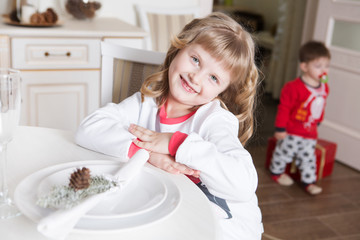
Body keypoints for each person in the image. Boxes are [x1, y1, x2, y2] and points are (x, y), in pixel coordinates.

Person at [75, 12, 263, 239]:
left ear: (223, 91)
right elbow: (89, 128)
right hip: (168, 213)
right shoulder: (146, 103)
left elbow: (244, 183)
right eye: (195, 60)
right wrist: (147, 153)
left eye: (213, 78)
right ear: (178, 49)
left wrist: (176, 143)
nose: (196, 77)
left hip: (223, 228)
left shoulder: (214, 120)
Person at [269, 41, 331, 195]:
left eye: (326, 66)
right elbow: (284, 108)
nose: (324, 70)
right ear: (304, 67)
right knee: (284, 153)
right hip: (292, 131)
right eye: (318, 66)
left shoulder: (324, 87)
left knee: (308, 157)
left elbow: (321, 105)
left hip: (310, 132)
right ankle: (276, 172)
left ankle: (308, 182)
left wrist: (319, 121)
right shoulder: (293, 88)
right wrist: (280, 128)